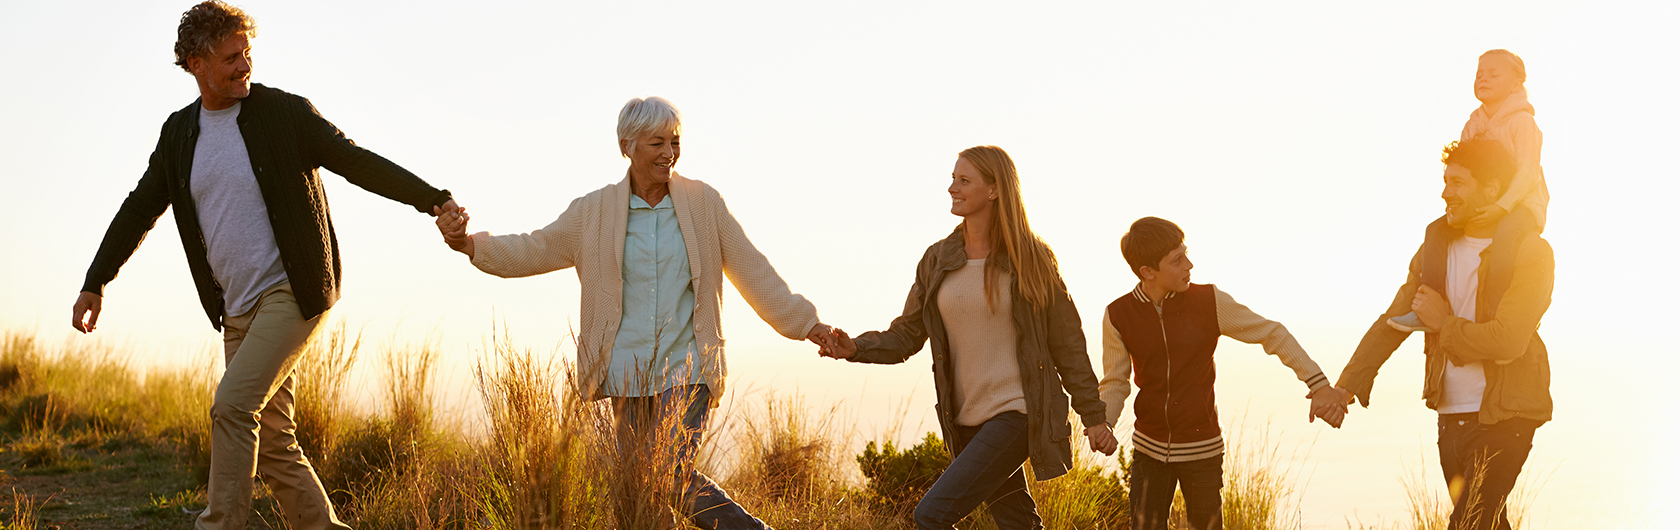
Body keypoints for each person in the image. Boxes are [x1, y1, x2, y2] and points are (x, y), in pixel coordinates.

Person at [69, 3, 460, 529]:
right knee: (274, 444)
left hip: (292, 293)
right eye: (231, 57)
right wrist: (96, 280)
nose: (243, 66)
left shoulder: (285, 113)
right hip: (237, 309)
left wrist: (432, 200)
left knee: (232, 406)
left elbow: (356, 160)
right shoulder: (180, 133)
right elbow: (140, 207)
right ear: (195, 63)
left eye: (247, 53)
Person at [434, 96, 832, 530]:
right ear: (627, 145)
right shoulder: (594, 211)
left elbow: (752, 269)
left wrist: (806, 324)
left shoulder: (703, 204)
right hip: (627, 372)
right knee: (639, 495)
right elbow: (537, 247)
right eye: (657, 142)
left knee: (668, 474)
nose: (669, 152)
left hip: (688, 368)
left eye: (675, 141)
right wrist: (471, 245)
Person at [819, 145, 1118, 530]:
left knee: (931, 515)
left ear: (994, 190)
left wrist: (1093, 417)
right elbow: (908, 334)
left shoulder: (1033, 258)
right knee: (1018, 524)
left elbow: (1068, 344)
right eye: (952, 179)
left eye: (964, 180)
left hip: (1016, 414)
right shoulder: (937, 259)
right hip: (966, 421)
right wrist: (856, 347)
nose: (952, 188)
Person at [1334, 138, 1553, 530]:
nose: (1445, 192)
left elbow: (1508, 340)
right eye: (1445, 181)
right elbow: (1394, 321)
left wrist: (1443, 323)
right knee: (1489, 523)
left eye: (1457, 183)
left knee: (1469, 523)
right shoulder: (1435, 252)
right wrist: (1348, 383)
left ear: (1490, 189)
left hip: (1505, 417)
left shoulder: (1531, 252)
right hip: (1451, 418)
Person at [1099, 216, 1345, 530]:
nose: (1189, 264)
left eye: (1185, 253)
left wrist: (1319, 385)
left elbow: (1273, 333)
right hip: (1149, 451)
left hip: (1203, 451)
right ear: (1148, 272)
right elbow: (1115, 382)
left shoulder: (1208, 301)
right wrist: (1103, 421)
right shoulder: (1119, 314)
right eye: (1177, 260)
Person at [1390, 49, 1546, 333]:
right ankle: (1428, 307)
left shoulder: (1523, 122)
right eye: (1479, 75)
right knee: (1436, 231)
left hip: (1521, 204)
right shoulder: (1474, 123)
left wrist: (1503, 207)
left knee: (1506, 235)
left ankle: (1495, 313)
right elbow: (1465, 164)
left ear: (1516, 83)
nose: (1483, 79)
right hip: (1483, 199)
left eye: (1493, 74)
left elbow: (1528, 172)